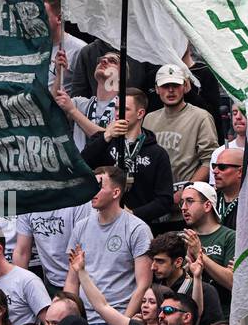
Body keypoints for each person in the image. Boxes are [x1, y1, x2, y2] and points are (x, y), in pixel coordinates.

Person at [63, 167, 153, 325]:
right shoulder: (80, 227)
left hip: (118, 317)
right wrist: (69, 322)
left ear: (116, 192)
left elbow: (144, 285)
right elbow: (72, 281)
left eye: (98, 186)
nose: (91, 191)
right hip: (85, 321)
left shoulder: (137, 228)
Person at [79, 88, 175, 224]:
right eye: (117, 108)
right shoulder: (103, 141)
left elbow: (165, 200)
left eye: (125, 109)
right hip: (102, 221)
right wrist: (106, 136)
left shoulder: (157, 153)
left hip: (140, 224)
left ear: (140, 113)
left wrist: (133, 214)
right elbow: (82, 166)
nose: (118, 114)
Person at [143, 63, 219, 221]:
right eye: (165, 86)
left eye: (175, 85)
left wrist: (186, 192)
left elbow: (209, 160)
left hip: (186, 202)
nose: (170, 90)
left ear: (185, 86)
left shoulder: (201, 117)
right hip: (153, 201)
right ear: (157, 89)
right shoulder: (149, 119)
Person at [71, 244, 167, 325]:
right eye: (143, 301)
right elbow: (102, 306)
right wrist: (82, 272)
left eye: (152, 302)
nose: (145, 306)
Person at [179, 182, 235, 299]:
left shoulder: (229, 237)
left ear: (207, 206)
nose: (183, 207)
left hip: (221, 312)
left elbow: (232, 282)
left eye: (190, 201)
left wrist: (199, 253)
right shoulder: (180, 238)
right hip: (185, 311)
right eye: (182, 202)